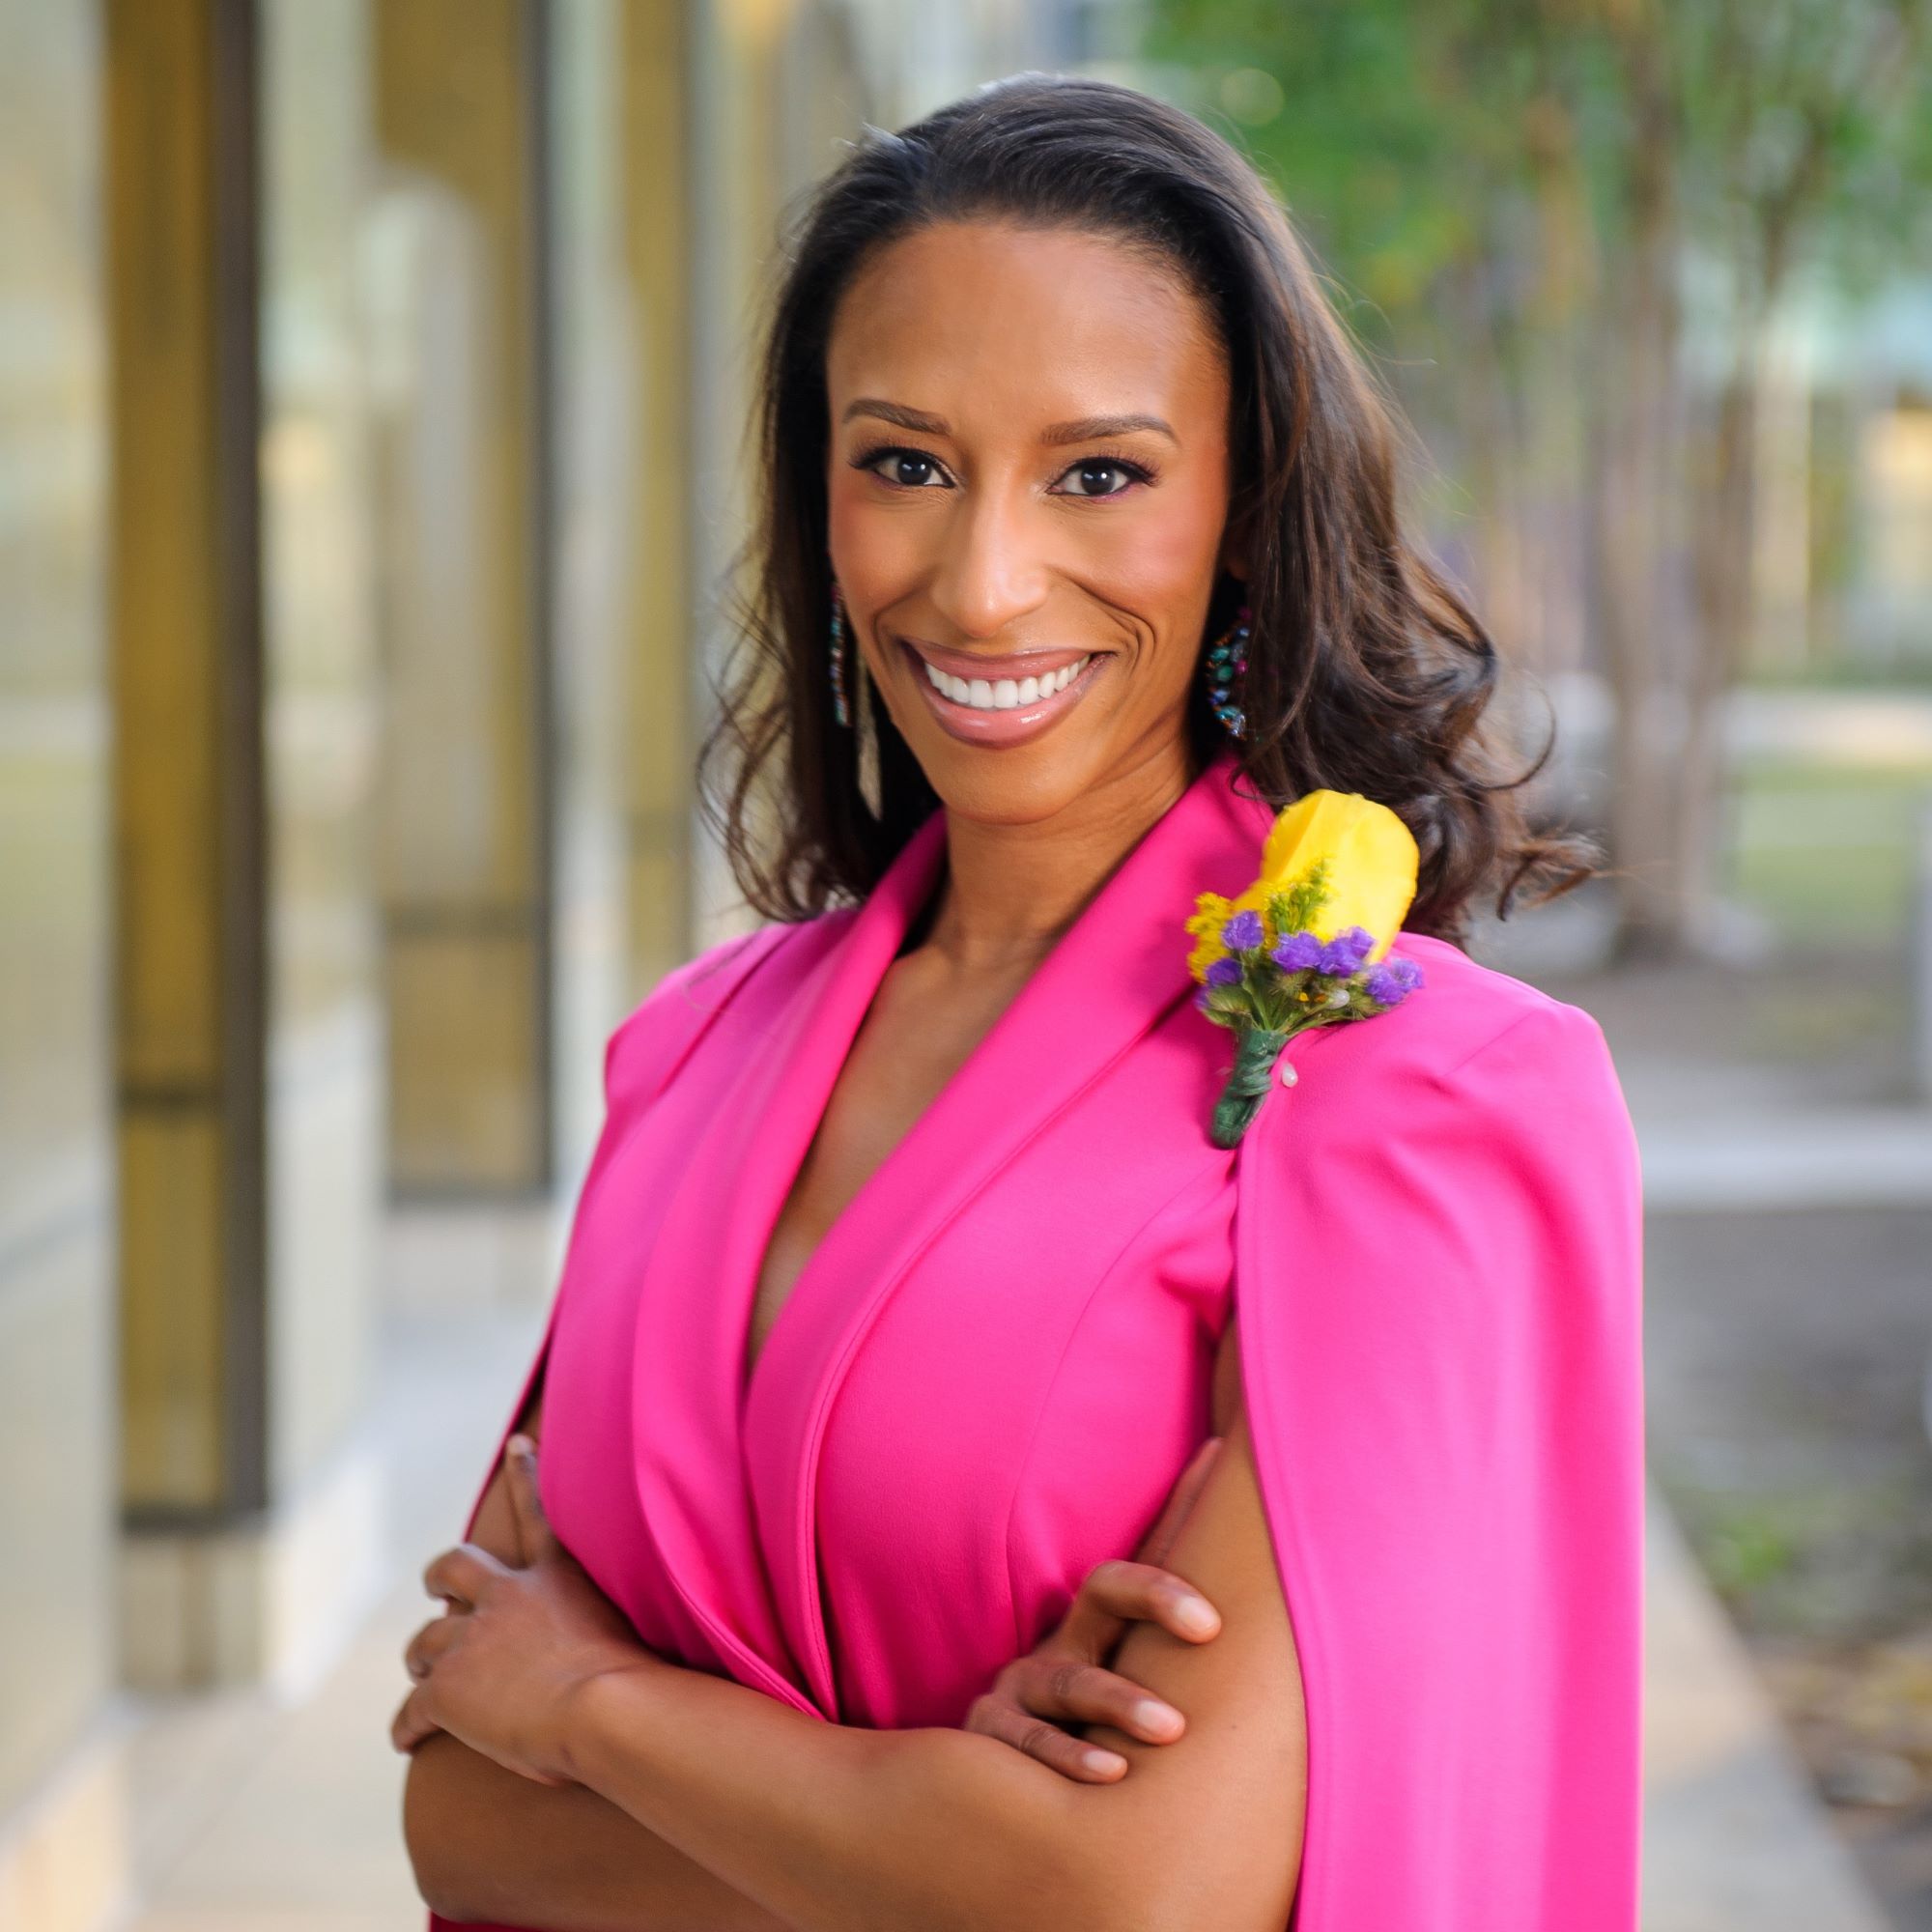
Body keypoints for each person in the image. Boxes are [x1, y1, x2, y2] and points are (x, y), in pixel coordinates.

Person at [389, 72, 1645, 1932]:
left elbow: (1136, 1889)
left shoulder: (1417, 1097)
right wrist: (935, 1830)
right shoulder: (693, 1056)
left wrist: (586, 1703)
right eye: (903, 460)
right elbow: (463, 1831)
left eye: (1100, 474)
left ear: (1245, 507)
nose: (982, 583)